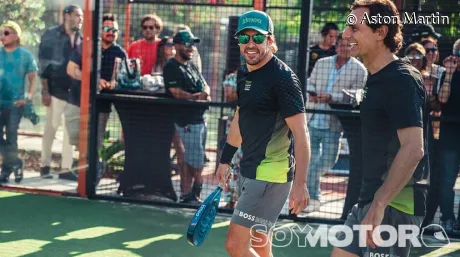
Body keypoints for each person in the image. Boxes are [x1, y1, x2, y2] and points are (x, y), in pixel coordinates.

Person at [332, 1, 429, 257]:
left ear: (380, 32)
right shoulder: (375, 77)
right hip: (371, 199)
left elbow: (413, 148)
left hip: (395, 205)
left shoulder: (400, 79)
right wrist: (372, 202)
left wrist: (380, 203)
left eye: (355, 28)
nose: (346, 34)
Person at [216, 10, 310, 257]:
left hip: (270, 174)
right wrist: (225, 159)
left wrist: (301, 185)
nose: (250, 44)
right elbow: (240, 116)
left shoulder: (283, 79)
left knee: (235, 245)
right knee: (259, 243)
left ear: (270, 40)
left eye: (257, 38)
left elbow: (301, 134)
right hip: (250, 169)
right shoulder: (244, 72)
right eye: (244, 38)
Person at [302, 33, 367, 214]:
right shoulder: (322, 63)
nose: (344, 48)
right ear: (336, 46)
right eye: (341, 44)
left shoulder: (360, 69)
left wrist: (332, 98)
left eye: (348, 45)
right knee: (310, 159)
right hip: (313, 117)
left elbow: (357, 96)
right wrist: (313, 93)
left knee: (329, 160)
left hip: (335, 122)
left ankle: (312, 186)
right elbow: (310, 82)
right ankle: (313, 199)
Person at [163, 30, 211, 204]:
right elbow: (175, 92)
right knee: (194, 160)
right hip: (186, 121)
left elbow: (205, 85)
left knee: (195, 158)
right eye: (187, 44)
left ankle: (190, 194)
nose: (191, 48)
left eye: (192, 44)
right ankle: (192, 193)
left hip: (200, 119)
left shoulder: (191, 65)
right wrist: (196, 96)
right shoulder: (171, 66)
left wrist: (205, 92)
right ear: (176, 46)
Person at [38, 4, 83, 180]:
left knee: (69, 132)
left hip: (74, 94)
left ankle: (65, 169)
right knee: (51, 129)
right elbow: (43, 63)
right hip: (55, 90)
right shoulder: (51, 35)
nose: (81, 19)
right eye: (78, 15)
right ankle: (45, 166)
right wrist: (45, 90)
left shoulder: (81, 38)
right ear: (67, 15)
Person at [0, 21, 38, 183]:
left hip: (15, 104)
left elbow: (33, 80)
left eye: (6, 33)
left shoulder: (25, 55)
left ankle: (6, 171)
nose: (2, 36)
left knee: (11, 137)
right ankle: (16, 162)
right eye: (1, 33)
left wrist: (27, 98)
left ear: (16, 36)